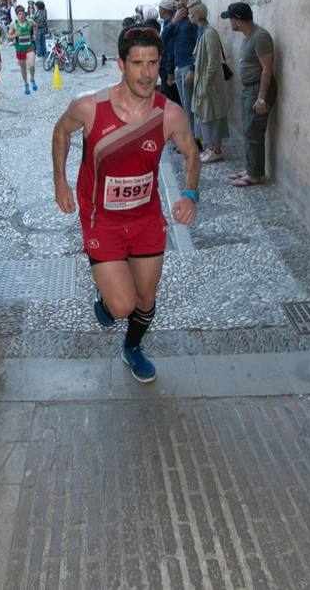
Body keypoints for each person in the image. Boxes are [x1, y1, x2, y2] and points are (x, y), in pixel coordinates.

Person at [52, 26, 200, 382]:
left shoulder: (170, 115)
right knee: (123, 305)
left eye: (152, 63)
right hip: (100, 218)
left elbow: (192, 155)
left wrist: (190, 194)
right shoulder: (89, 107)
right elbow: (60, 132)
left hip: (147, 217)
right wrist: (60, 179)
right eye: (137, 63)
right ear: (120, 64)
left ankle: (132, 348)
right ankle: (107, 300)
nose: (147, 73)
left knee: (145, 299)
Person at [221, 2, 275, 186]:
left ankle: (255, 174)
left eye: (231, 19)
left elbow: (267, 69)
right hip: (248, 88)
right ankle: (251, 168)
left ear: (238, 19)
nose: (230, 23)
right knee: (248, 129)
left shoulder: (260, 37)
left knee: (254, 131)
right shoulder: (248, 35)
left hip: (257, 89)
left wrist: (261, 98)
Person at [186, 0, 229, 163]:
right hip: (203, 81)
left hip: (210, 84)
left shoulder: (209, 33)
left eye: (190, 13)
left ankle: (217, 150)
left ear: (197, 15)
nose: (189, 16)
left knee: (213, 115)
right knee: (205, 115)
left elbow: (213, 61)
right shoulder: (201, 31)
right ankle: (211, 148)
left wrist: (206, 82)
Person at [167, 0, 199, 142]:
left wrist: (193, 69)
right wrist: (173, 22)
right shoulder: (175, 18)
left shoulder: (193, 18)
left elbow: (198, 46)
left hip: (188, 67)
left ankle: (193, 142)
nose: (180, 2)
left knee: (189, 107)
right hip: (178, 67)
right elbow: (164, 39)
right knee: (183, 106)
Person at [157, 0, 179, 105]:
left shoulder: (171, 25)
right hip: (165, 67)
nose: (158, 10)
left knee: (171, 99)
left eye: (159, 8)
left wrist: (170, 71)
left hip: (167, 68)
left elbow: (170, 49)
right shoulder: (166, 24)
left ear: (164, 10)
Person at [11, 6, 39, 94]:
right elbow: (9, 37)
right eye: (19, 14)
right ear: (17, 15)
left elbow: (36, 25)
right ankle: (26, 83)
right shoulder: (13, 24)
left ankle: (32, 79)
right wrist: (14, 36)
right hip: (20, 49)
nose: (21, 16)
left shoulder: (29, 21)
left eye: (23, 14)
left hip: (30, 46)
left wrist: (35, 34)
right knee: (23, 68)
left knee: (31, 65)